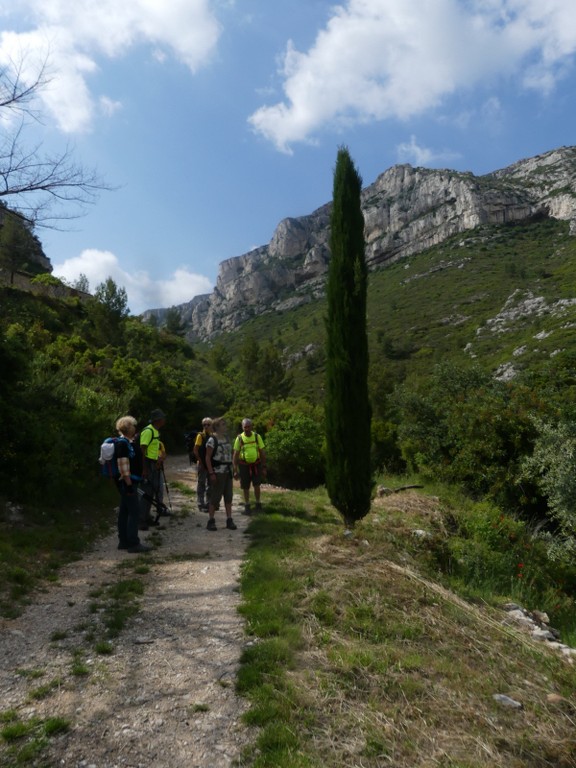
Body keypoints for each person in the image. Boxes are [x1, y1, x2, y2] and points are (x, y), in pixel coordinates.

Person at [114, 415, 152, 554]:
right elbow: (123, 466)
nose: (135, 428)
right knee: (134, 511)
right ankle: (133, 543)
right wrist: (129, 485)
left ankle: (123, 541)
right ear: (128, 427)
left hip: (127, 482)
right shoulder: (123, 444)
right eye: (133, 425)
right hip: (127, 483)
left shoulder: (126, 442)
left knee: (124, 511)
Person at [205, 417, 237, 531]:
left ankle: (229, 519)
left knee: (229, 496)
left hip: (228, 471)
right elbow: (207, 458)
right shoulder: (212, 440)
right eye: (223, 424)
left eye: (225, 424)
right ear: (217, 427)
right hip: (218, 472)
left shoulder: (228, 438)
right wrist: (211, 473)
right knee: (215, 497)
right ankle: (211, 521)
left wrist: (235, 468)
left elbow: (232, 454)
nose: (225, 426)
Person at [139, 408, 167, 529]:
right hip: (148, 465)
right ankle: (141, 521)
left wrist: (159, 459)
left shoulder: (156, 431)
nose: (164, 420)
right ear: (158, 420)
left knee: (152, 492)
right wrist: (144, 469)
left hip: (154, 464)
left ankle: (146, 517)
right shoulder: (148, 431)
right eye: (163, 418)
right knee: (147, 493)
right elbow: (142, 450)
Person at [233, 418, 266, 514]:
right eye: (245, 427)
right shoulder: (239, 438)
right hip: (244, 466)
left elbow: (262, 452)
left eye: (248, 427)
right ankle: (247, 505)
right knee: (245, 486)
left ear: (251, 426)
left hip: (256, 464)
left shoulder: (257, 436)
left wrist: (264, 467)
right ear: (242, 427)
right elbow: (235, 454)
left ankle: (258, 503)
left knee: (257, 485)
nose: (246, 429)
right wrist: (235, 470)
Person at [193, 417, 212, 512]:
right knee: (201, 483)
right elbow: (195, 450)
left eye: (208, 424)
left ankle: (209, 503)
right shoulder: (200, 436)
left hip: (210, 464)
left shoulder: (212, 436)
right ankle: (200, 503)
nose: (206, 426)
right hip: (202, 464)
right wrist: (200, 461)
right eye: (204, 424)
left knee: (210, 484)